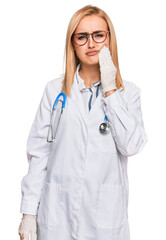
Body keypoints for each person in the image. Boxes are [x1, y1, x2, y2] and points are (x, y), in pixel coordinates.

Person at [18, 4, 148, 240]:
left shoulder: (128, 93)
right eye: (82, 37)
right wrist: (28, 212)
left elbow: (132, 146)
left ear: (109, 39)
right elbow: (39, 154)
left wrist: (110, 91)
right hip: (57, 216)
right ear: (72, 43)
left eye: (98, 35)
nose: (91, 43)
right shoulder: (54, 91)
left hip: (105, 221)